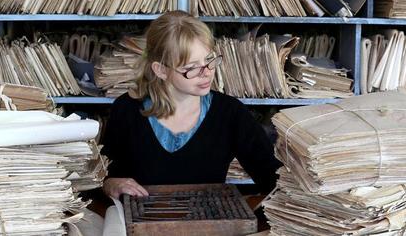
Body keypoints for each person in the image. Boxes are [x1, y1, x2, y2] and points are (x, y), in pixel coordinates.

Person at [101, 10, 282, 199]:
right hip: (143, 216)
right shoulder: (126, 110)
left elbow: (272, 176)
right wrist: (110, 184)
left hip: (207, 217)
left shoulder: (230, 112)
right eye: (191, 68)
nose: (207, 73)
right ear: (161, 70)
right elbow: (104, 177)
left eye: (209, 60)